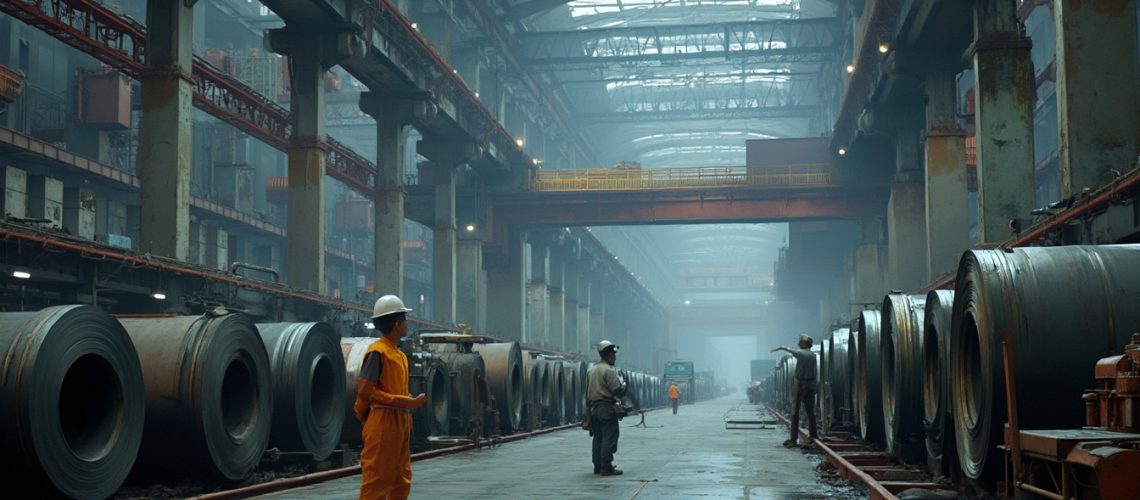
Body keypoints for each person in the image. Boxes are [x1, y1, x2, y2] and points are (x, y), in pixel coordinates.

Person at [355, 295, 428, 499]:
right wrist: (406, 402)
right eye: (405, 320)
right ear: (397, 324)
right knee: (376, 482)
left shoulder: (399, 355)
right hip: (383, 423)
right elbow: (365, 392)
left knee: (400, 480)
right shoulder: (378, 353)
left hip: (400, 423)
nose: (407, 324)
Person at [585, 340, 628, 476]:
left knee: (597, 438)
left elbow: (586, 392)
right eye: (614, 354)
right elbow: (617, 390)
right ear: (608, 355)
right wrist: (625, 385)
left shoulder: (591, 370)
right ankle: (606, 467)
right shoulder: (608, 371)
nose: (615, 357)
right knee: (609, 438)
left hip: (593, 409)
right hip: (606, 409)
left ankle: (597, 466)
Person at [771, 334, 818, 448]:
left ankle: (793, 439)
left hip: (800, 384)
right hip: (811, 384)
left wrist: (781, 347)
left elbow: (790, 351)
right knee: (810, 412)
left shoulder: (801, 353)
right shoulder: (813, 355)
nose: (798, 344)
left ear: (805, 344)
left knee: (794, 412)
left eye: (800, 342)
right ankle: (813, 435)